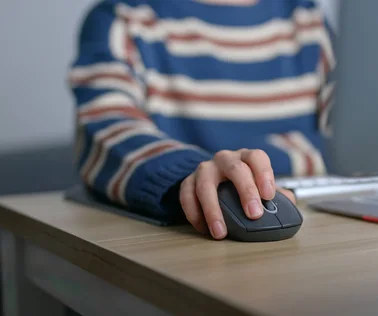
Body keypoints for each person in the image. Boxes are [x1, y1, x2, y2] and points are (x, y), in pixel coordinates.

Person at [68, 0, 336, 240]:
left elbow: (350, 135)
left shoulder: (308, 19)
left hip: (320, 226)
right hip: (190, 238)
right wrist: (190, 174)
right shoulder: (124, 18)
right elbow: (107, 129)